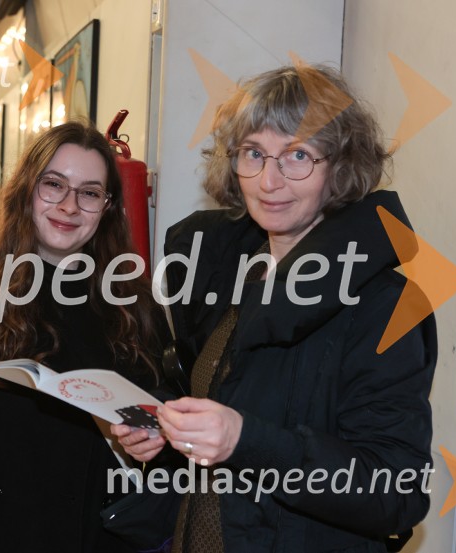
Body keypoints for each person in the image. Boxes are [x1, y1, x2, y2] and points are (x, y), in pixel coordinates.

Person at [112, 64, 438, 552]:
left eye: (298, 155)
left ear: (341, 168)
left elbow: (395, 492)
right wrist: (163, 434)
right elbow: (215, 434)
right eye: (254, 154)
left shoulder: (383, 304)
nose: (269, 181)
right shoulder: (226, 273)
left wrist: (246, 441)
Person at [0, 121, 166, 553]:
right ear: (25, 190)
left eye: (90, 192)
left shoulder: (135, 307)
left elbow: (166, 437)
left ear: (108, 207)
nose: (70, 206)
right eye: (53, 184)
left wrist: (152, 441)